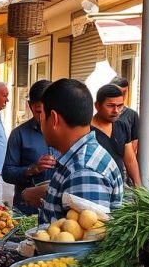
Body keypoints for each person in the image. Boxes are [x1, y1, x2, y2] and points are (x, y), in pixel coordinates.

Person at [23, 79, 123, 224]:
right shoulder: (77, 161)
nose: (40, 122)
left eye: (42, 117)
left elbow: (85, 242)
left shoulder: (84, 171)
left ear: (54, 119)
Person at [2, 80, 56, 215]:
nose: (42, 116)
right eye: (38, 111)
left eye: (47, 110)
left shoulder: (66, 133)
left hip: (58, 210)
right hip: (27, 210)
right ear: (30, 106)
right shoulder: (19, 134)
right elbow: (7, 173)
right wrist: (32, 169)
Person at [92, 84, 141, 187]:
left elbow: (130, 159)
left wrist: (139, 188)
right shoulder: (86, 130)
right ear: (97, 106)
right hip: (95, 187)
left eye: (120, 106)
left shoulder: (122, 126)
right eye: (110, 106)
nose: (116, 110)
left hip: (119, 187)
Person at [111, 77, 140, 155]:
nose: (123, 96)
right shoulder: (104, 113)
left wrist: (127, 160)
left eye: (125, 92)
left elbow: (134, 139)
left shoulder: (132, 114)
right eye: (120, 92)